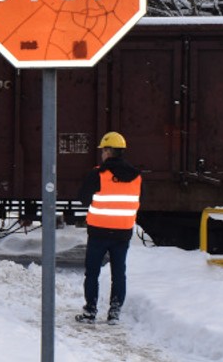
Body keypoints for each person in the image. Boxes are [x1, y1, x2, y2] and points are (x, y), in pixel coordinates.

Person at [76, 131, 142, 325]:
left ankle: (90, 311)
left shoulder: (98, 174)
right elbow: (140, 200)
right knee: (119, 273)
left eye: (103, 150)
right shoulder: (136, 176)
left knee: (92, 272)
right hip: (123, 233)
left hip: (98, 232)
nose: (102, 154)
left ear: (108, 151)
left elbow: (83, 198)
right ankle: (114, 312)